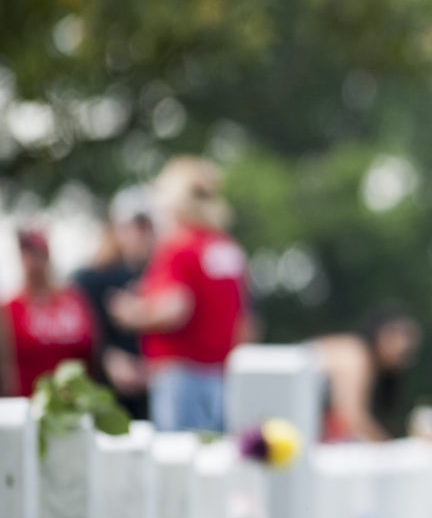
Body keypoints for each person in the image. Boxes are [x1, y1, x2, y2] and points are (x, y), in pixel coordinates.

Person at [110, 156, 251, 432]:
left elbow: (176, 308)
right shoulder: (228, 248)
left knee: (178, 464)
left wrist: (133, 313)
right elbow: (245, 319)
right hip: (222, 375)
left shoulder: (179, 246)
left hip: (181, 377)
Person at [72, 187, 156, 420]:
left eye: (145, 226)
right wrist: (108, 358)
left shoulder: (162, 275)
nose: (139, 233)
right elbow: (83, 332)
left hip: (152, 391)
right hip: (104, 393)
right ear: (114, 228)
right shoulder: (89, 278)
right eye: (133, 225)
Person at [1, 229, 97, 397]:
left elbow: (94, 349)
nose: (33, 261)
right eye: (27, 254)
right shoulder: (10, 309)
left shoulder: (74, 301)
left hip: (78, 404)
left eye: (38, 253)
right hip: (30, 405)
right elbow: (6, 369)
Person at [312, 309, 423, 441]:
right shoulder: (354, 354)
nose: (401, 343)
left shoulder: (358, 356)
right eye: (394, 332)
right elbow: (350, 417)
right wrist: (387, 448)